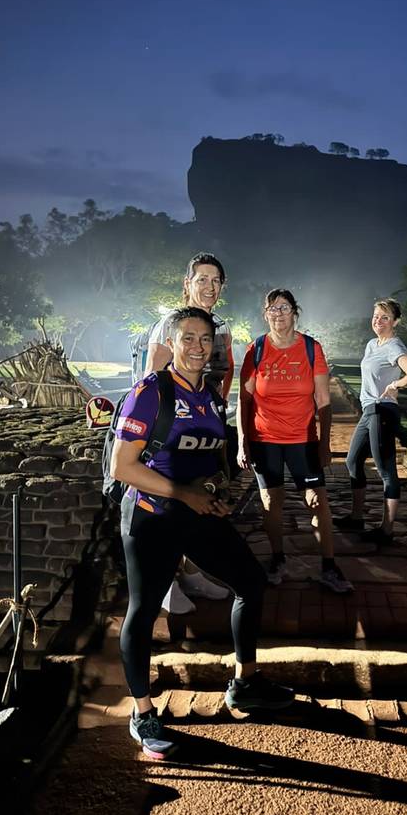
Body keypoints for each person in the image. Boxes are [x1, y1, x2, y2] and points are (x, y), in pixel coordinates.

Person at [111, 306, 294, 758]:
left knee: (250, 581)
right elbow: (122, 466)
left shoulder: (211, 395)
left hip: (195, 513)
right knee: (143, 609)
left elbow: (214, 458)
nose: (197, 347)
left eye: (204, 339)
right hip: (151, 517)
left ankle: (245, 683)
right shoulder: (149, 393)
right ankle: (142, 712)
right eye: (187, 338)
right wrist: (183, 493)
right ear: (171, 343)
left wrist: (212, 488)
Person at [237, 289, 353, 594]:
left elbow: (324, 401)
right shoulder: (257, 349)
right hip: (264, 439)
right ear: (266, 314)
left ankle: (329, 566)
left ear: (295, 312)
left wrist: (324, 443)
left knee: (318, 501)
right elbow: (244, 400)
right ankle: (277, 560)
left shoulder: (311, 349)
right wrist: (242, 442)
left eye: (284, 308)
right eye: (272, 309)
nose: (278, 314)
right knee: (271, 502)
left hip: (302, 440)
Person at [145, 253, 234, 613]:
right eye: (202, 280)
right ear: (187, 284)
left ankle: (192, 572)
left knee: (198, 501)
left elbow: (224, 374)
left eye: (216, 281)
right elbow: (151, 377)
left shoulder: (222, 328)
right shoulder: (171, 323)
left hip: (204, 429)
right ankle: (165, 584)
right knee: (166, 506)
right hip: (170, 429)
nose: (209, 287)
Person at [334, 298, 407, 545]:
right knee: (353, 460)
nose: (378, 321)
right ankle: (357, 517)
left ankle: (387, 530)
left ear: (395, 322)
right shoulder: (372, 344)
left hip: (383, 411)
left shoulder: (393, 345)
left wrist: (396, 384)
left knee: (386, 470)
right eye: (376, 316)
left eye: (385, 317)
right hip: (369, 410)